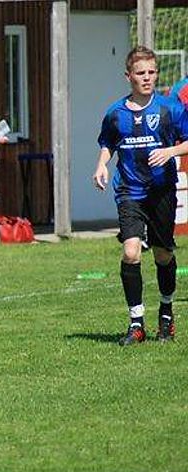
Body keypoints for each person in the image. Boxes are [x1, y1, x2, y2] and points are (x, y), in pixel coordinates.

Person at [93, 45, 188, 345]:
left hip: (161, 191)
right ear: (128, 76)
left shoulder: (169, 109)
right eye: (140, 73)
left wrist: (170, 151)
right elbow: (108, 142)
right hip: (129, 190)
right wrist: (101, 166)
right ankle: (136, 323)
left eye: (151, 72)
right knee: (131, 252)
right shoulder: (115, 112)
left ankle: (166, 313)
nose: (147, 78)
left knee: (163, 254)